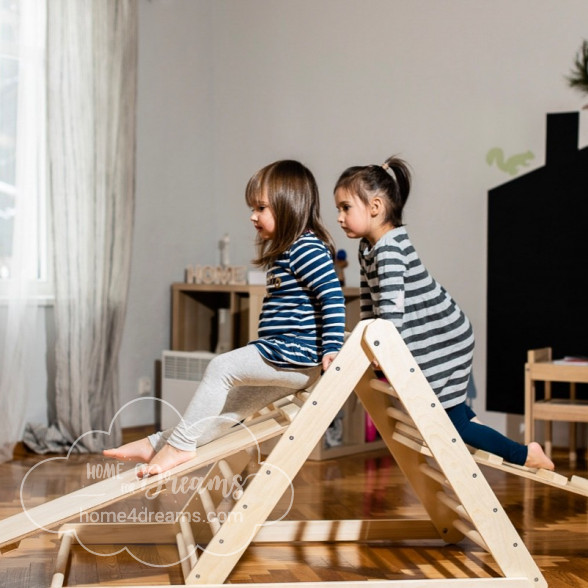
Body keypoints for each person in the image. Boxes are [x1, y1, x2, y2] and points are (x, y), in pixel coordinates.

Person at [105, 160, 346, 476]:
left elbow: (333, 297)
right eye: (252, 208)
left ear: (289, 205)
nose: (252, 216)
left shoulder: (306, 247)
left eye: (261, 207)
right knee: (229, 409)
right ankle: (159, 443)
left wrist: (332, 348)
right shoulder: (285, 251)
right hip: (284, 357)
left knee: (221, 367)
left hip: (295, 356)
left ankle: (176, 447)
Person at [333, 155, 554, 470]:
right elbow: (370, 304)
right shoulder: (368, 248)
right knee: (458, 417)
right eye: (338, 209)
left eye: (345, 207)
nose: (339, 217)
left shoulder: (390, 249)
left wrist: (381, 352)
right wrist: (367, 342)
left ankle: (525, 454)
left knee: (454, 426)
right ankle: (510, 447)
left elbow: (391, 311)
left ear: (375, 207)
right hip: (433, 338)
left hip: (443, 339)